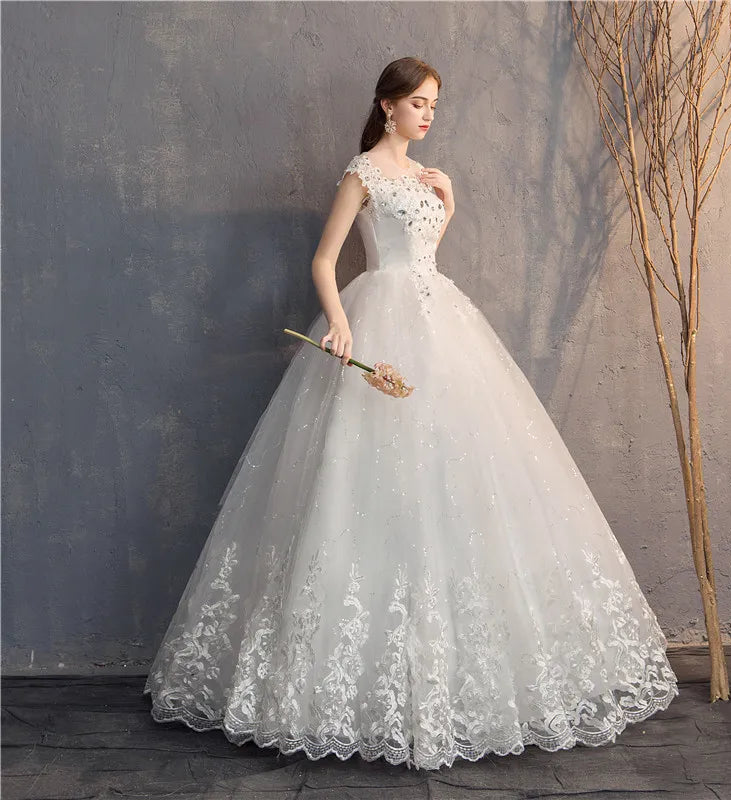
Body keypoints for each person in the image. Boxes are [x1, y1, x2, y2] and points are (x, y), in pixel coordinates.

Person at [144, 56, 679, 771]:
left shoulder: (432, 178)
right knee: (360, 486)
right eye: (419, 103)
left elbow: (423, 252)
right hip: (382, 322)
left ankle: (458, 682)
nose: (429, 114)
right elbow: (326, 260)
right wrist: (339, 325)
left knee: (458, 478)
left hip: (442, 325)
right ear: (387, 104)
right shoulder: (361, 174)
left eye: (435, 104)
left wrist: (448, 205)